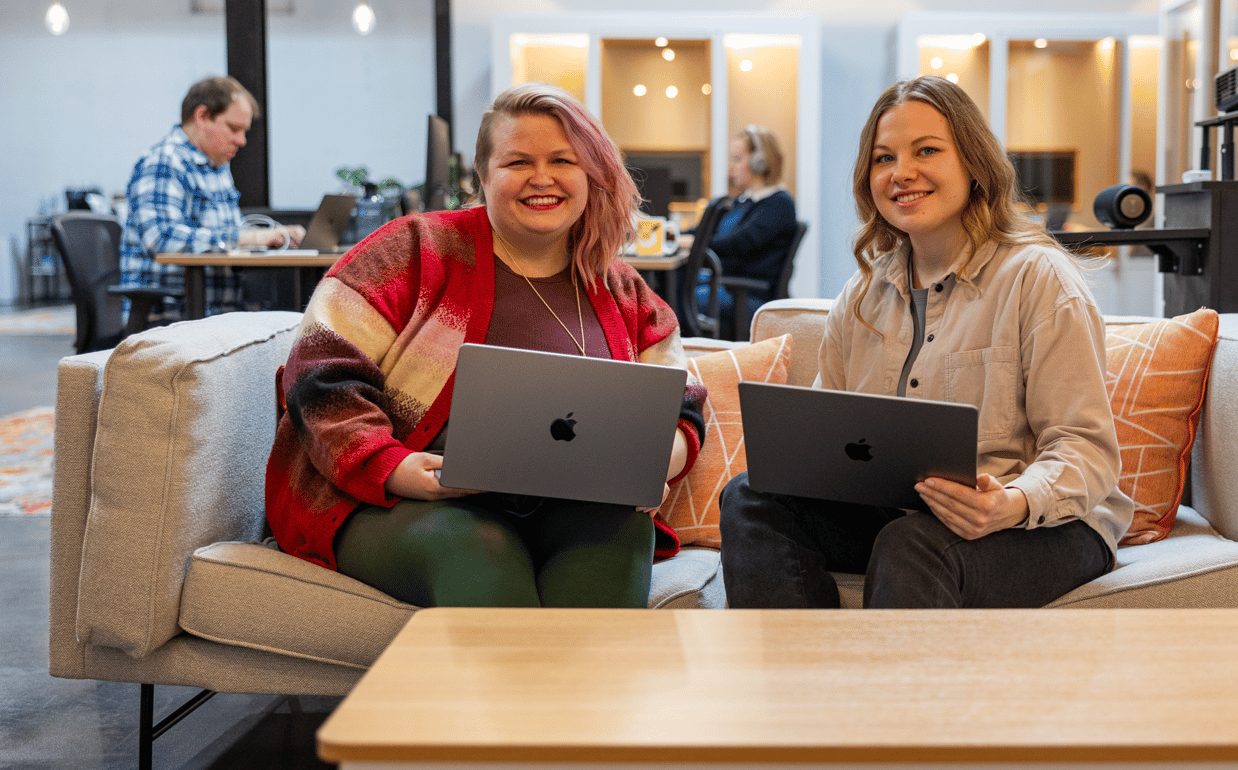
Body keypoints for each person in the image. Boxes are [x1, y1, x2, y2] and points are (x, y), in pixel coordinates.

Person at [265, 83, 707, 609]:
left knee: (624, 535)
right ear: (482, 176)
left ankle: (581, 694)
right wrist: (390, 465)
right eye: (517, 162)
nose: (541, 178)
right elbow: (319, 370)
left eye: (563, 160)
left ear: (589, 173)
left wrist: (657, 460)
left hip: (570, 506)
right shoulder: (413, 250)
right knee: (479, 549)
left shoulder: (621, 289)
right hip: (401, 499)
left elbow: (683, 402)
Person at [719, 76, 1132, 609]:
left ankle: (904, 696)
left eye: (927, 151)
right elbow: (825, 438)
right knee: (750, 496)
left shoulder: (1039, 278)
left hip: (1046, 522)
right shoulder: (863, 295)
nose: (901, 173)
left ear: (974, 164)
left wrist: (1011, 502)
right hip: (909, 513)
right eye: (883, 158)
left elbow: (1086, 448)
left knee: (910, 542)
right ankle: (802, 682)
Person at [120, 76, 303, 315]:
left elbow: (230, 234)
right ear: (202, 116)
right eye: (233, 128)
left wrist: (276, 237)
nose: (242, 140)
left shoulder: (217, 168)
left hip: (218, 312)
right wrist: (252, 237)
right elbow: (163, 239)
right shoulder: (164, 162)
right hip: (173, 316)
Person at [696, 124, 797, 337]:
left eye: (737, 159)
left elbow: (739, 243)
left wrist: (695, 244)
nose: (731, 167)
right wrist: (673, 235)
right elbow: (704, 232)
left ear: (759, 162)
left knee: (678, 297)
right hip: (725, 286)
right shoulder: (743, 202)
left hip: (748, 296)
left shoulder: (778, 205)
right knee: (672, 287)